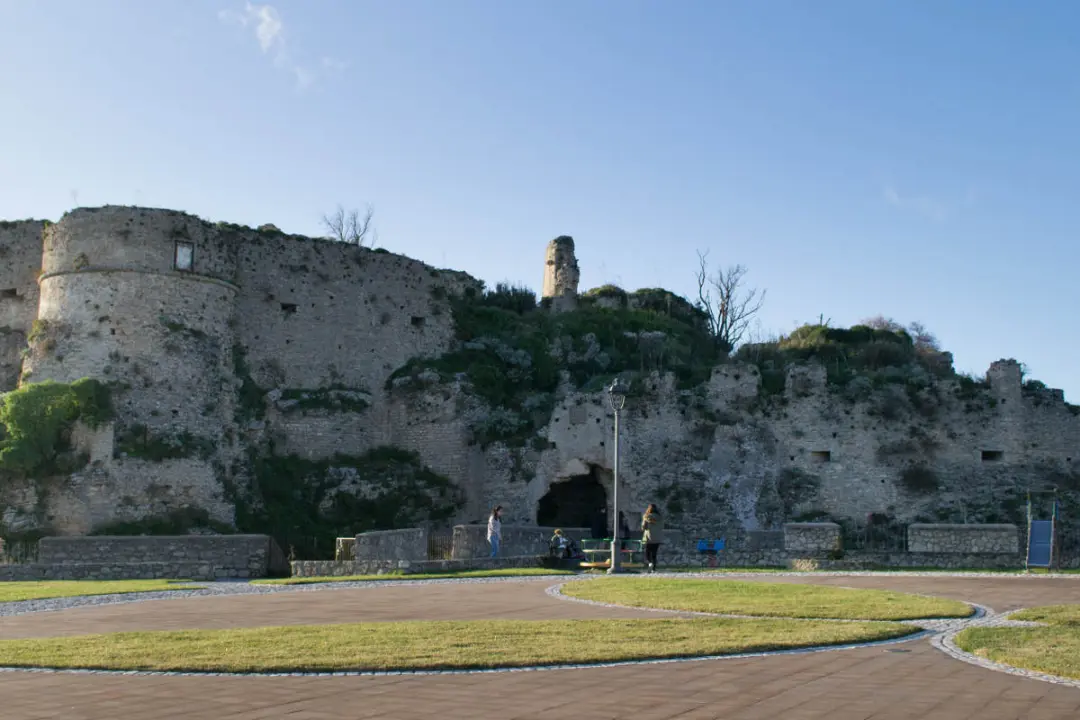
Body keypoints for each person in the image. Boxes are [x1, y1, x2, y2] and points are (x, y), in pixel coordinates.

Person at [641, 503, 664, 572]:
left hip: (649, 537)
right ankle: (654, 568)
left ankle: (650, 563)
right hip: (657, 538)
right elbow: (662, 527)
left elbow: (643, 527)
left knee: (647, 552)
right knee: (654, 553)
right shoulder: (660, 517)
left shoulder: (646, 516)